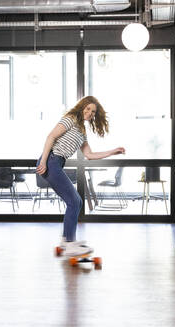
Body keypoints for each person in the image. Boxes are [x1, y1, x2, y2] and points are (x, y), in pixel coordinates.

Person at [36, 96, 125, 256]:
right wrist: (43, 161)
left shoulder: (82, 132)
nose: (90, 113)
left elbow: (89, 155)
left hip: (56, 163)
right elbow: (51, 137)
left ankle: (66, 240)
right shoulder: (70, 119)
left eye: (93, 111)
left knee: (74, 201)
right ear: (82, 107)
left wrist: (112, 151)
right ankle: (69, 243)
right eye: (88, 108)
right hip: (50, 161)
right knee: (75, 201)